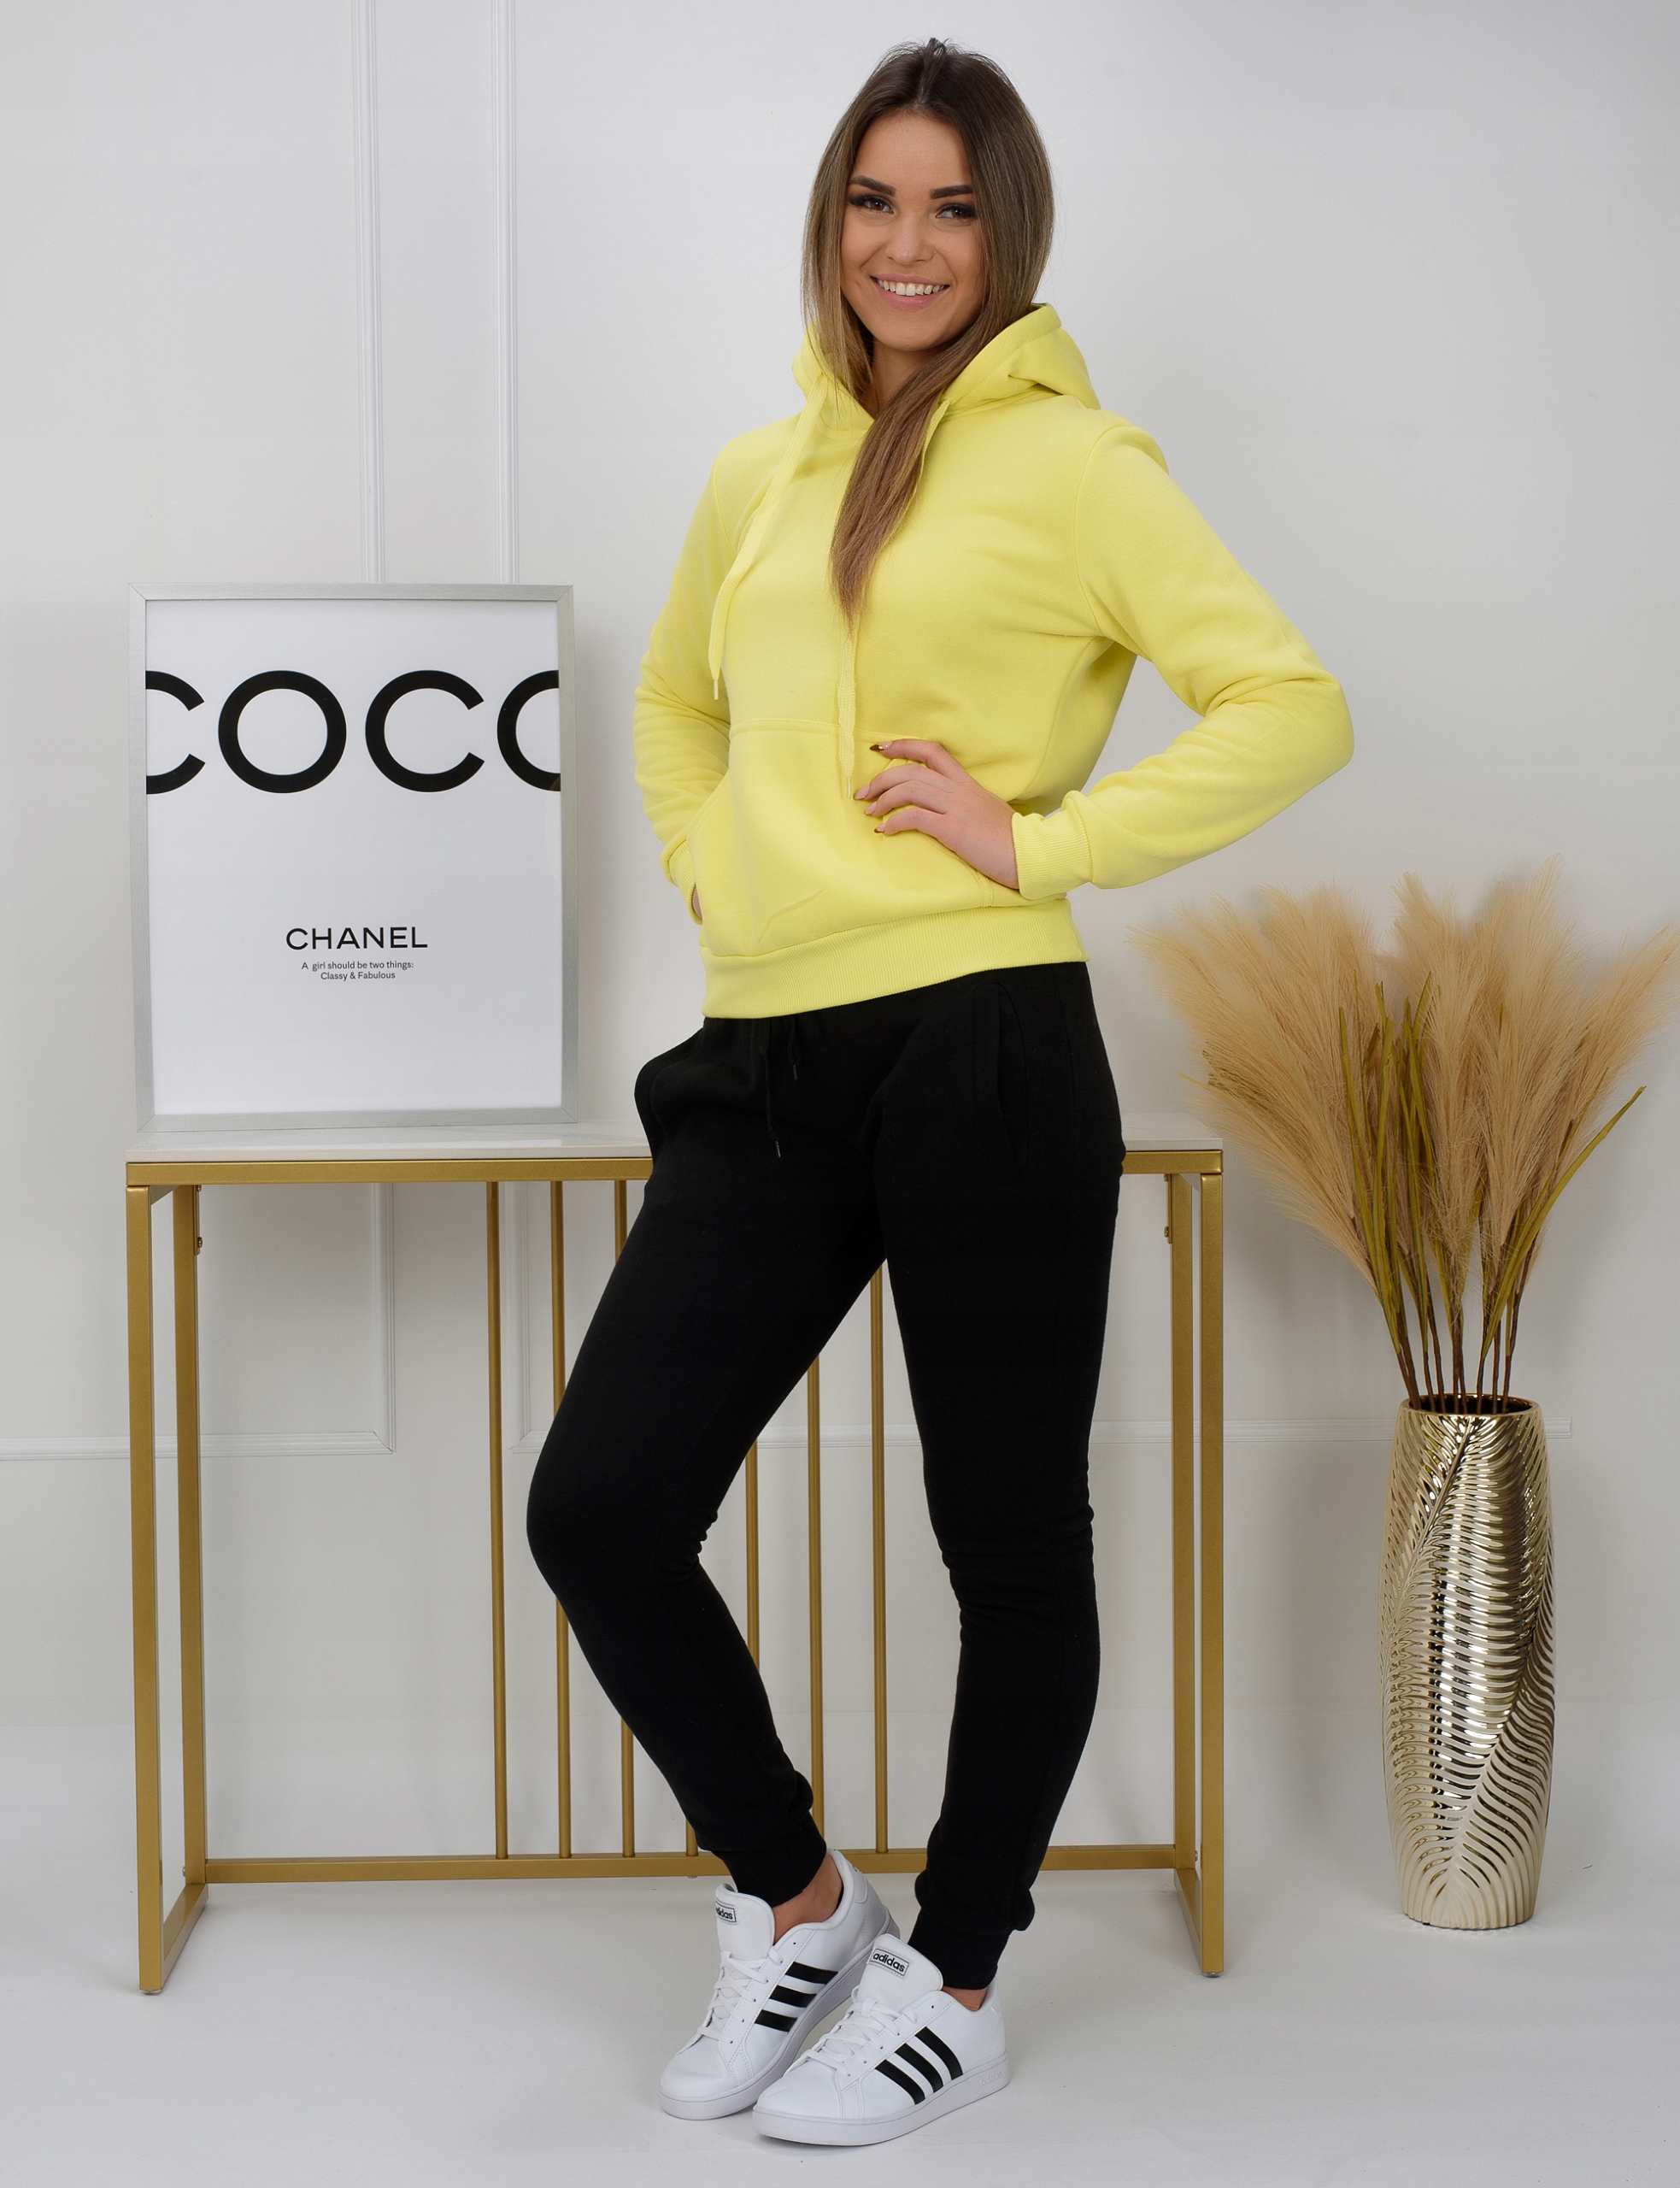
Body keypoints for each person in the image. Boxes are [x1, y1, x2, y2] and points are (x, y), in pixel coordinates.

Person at [527, 36, 1350, 2150]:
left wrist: (1036, 840)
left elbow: (1289, 701)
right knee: (598, 1504)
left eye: (952, 207)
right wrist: (714, 860)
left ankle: (958, 1973)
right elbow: (671, 697)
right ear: (831, 221)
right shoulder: (757, 472)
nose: (907, 244)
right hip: (762, 1052)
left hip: (983, 1037)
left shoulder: (1076, 464)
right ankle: (800, 1899)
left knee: (1004, 1536)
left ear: (1007, 232)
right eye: (874, 201)